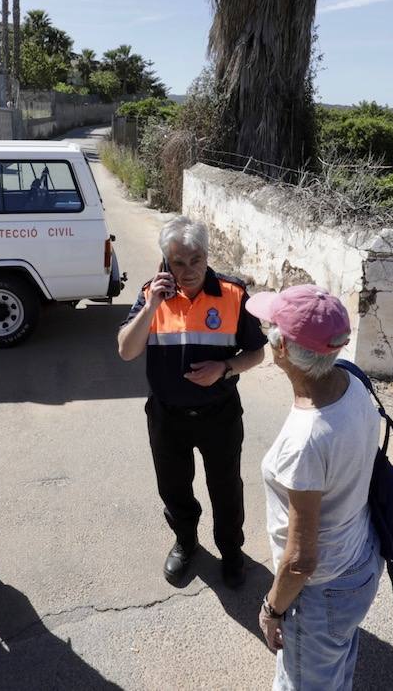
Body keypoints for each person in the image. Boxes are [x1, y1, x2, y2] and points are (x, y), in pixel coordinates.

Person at [118, 216, 267, 587]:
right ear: (165, 261)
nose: (187, 271)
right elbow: (126, 350)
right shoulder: (152, 293)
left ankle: (231, 551)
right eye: (177, 262)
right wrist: (152, 304)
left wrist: (225, 368)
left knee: (226, 488)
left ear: (207, 255)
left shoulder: (233, 295)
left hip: (220, 415)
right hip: (167, 416)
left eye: (195, 260)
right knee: (173, 488)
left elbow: (257, 353)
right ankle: (186, 542)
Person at [248, 285, 383, 691]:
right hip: (360, 559)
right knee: (335, 664)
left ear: (283, 349)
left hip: (322, 587)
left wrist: (272, 608)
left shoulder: (305, 440)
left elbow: (302, 560)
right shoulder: (354, 384)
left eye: (270, 327)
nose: (266, 331)